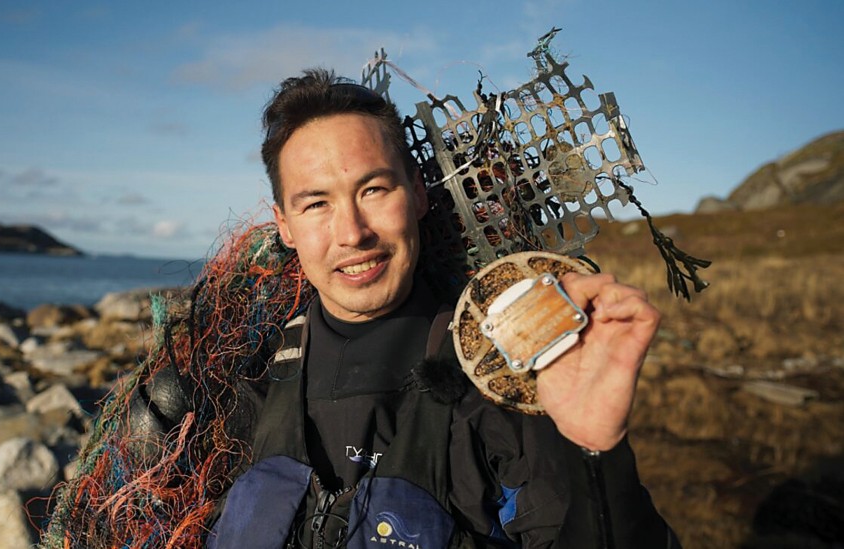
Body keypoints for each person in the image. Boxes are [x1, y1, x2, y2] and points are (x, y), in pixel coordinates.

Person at [206, 69, 680, 548]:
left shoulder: (498, 388)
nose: (352, 233)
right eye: (316, 205)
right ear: (285, 225)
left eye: (374, 189)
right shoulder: (245, 380)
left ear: (416, 194)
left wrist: (596, 453)